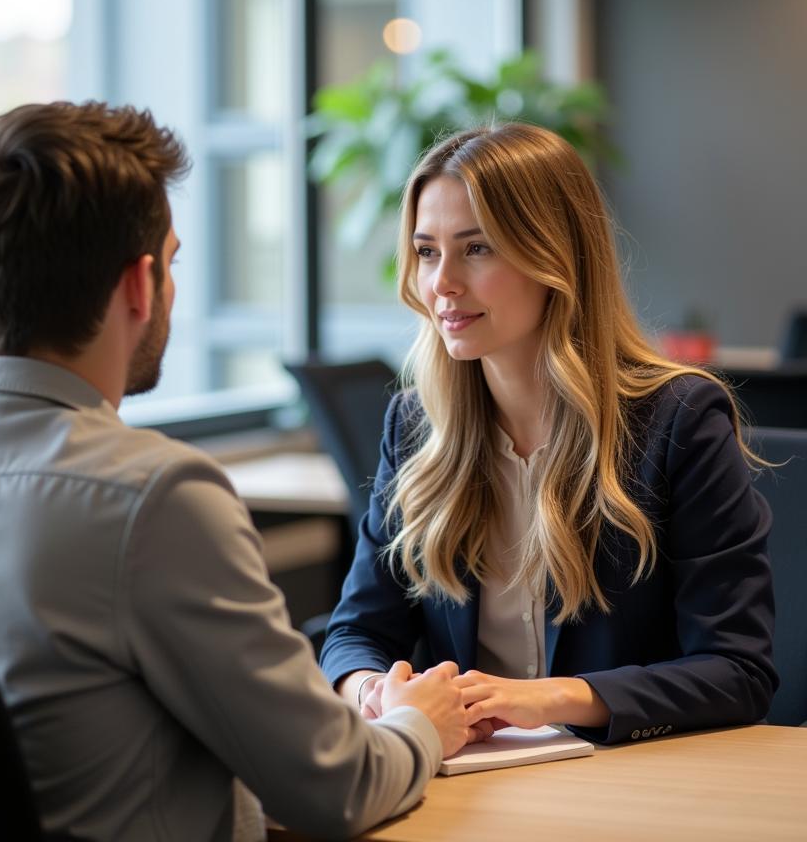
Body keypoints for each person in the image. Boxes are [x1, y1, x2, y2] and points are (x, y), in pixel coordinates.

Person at [0, 101, 490, 842]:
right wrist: (422, 724)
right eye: (173, 262)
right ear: (139, 286)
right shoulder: (155, 498)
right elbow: (334, 789)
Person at [320, 122, 777, 744]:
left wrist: (549, 699)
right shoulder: (415, 427)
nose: (442, 283)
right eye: (427, 251)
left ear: (555, 257)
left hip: (631, 786)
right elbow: (355, 634)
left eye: (477, 248)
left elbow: (738, 671)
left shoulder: (680, 420)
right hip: (470, 782)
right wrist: (377, 692)